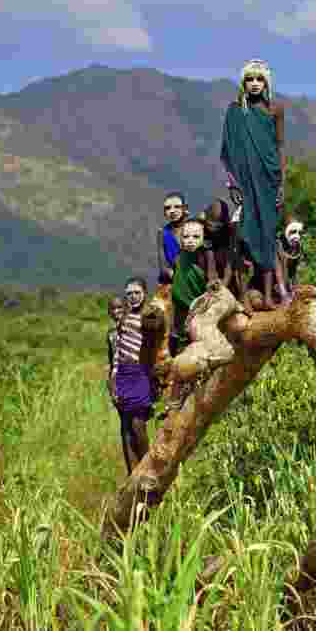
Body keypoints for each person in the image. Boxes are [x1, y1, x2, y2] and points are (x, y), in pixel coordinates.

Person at [220, 59, 286, 310]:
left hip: (269, 180)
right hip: (245, 182)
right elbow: (228, 149)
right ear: (243, 83)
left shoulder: (275, 109)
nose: (255, 84)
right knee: (243, 236)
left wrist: (282, 184)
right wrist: (232, 182)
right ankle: (243, 296)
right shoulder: (235, 111)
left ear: (267, 83)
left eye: (260, 79)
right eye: (250, 79)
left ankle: (269, 297)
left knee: (267, 235)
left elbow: (280, 147)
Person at [112, 277, 158, 474]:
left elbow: (157, 332)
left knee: (138, 424)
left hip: (140, 372)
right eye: (129, 293)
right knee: (127, 426)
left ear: (145, 293)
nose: (133, 297)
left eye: (137, 293)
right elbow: (117, 348)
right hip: (123, 372)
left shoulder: (150, 315)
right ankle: (134, 473)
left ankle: (148, 467)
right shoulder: (123, 317)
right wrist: (114, 377)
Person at [170, 218, 217, 357]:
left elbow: (212, 279)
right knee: (179, 336)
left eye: (196, 237)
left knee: (196, 338)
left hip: (198, 306)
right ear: (180, 239)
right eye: (186, 237)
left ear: (204, 238)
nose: (190, 240)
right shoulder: (180, 256)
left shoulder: (206, 255)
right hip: (179, 306)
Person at [156, 192, 189, 286]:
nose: (172, 211)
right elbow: (163, 266)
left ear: (185, 208)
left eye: (177, 207)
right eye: (168, 208)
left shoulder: (194, 228)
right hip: (172, 282)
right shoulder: (162, 233)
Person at [275, 215, 306, 303]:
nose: (296, 235)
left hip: (287, 284)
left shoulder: (298, 246)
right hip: (275, 284)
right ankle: (283, 293)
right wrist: (284, 293)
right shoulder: (277, 244)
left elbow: (297, 271)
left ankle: (291, 292)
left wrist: (296, 289)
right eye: (293, 231)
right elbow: (278, 271)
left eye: (299, 232)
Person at [106, 296, 126, 400]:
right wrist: (109, 379)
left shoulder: (133, 328)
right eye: (113, 309)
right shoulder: (111, 333)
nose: (116, 311)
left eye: (119, 307)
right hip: (116, 377)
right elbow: (111, 358)